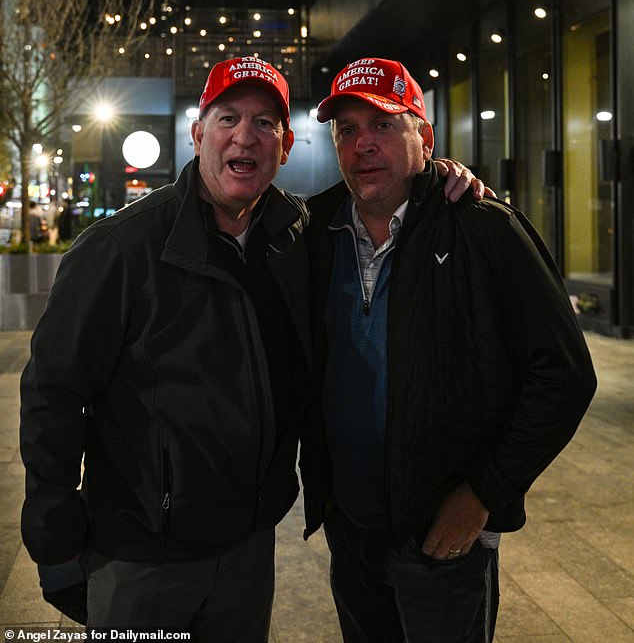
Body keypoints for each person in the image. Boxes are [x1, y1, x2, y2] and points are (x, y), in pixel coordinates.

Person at [20, 55, 484, 638]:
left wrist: (438, 176)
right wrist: (54, 539)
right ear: (198, 135)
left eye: (265, 123)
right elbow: (52, 394)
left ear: (286, 145)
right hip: (140, 554)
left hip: (247, 550)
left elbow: (384, 196)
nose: (245, 136)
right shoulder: (119, 248)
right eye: (227, 118)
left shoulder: (297, 235)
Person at [301, 57, 597, 643]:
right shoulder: (313, 232)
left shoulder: (482, 227)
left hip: (443, 536)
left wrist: (484, 493)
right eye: (347, 130)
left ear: (425, 139)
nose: (364, 144)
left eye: (384, 125)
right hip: (351, 530)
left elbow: (563, 375)